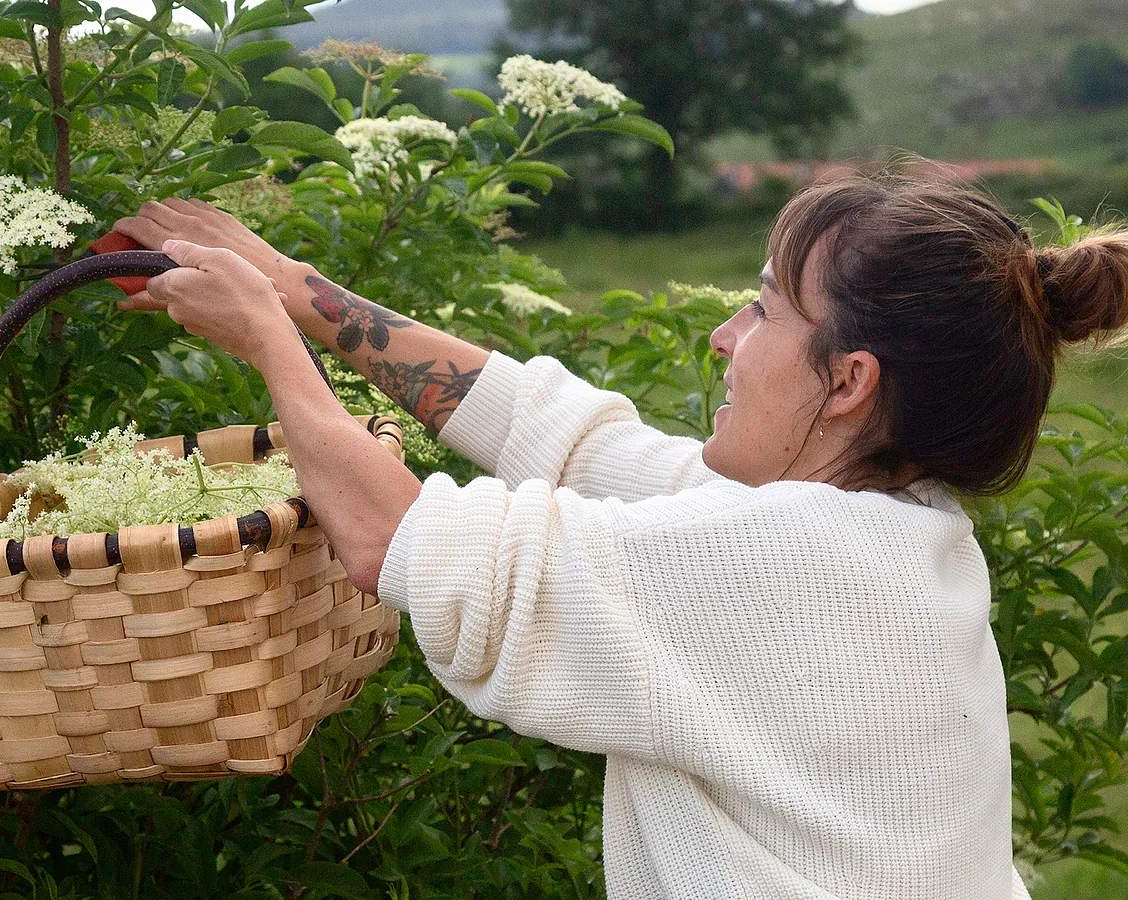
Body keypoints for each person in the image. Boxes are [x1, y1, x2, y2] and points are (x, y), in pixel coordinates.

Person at [113, 172, 1128, 898]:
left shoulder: (783, 563)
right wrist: (300, 292)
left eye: (764, 310)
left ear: (850, 381)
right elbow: (563, 439)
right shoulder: (893, 530)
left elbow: (399, 542)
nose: (727, 337)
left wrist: (269, 342)